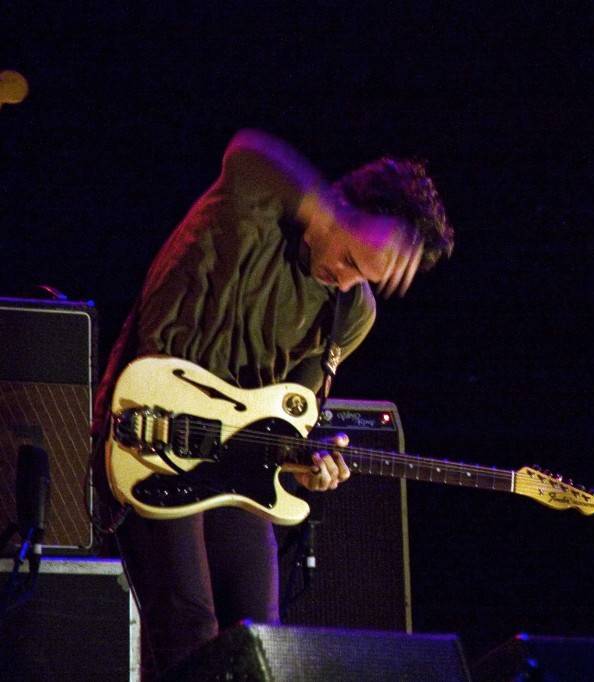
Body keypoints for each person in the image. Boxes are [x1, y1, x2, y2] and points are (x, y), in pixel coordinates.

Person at [90, 129, 454, 678]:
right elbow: (249, 148)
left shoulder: (351, 312)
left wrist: (308, 465)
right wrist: (331, 213)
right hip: (149, 429)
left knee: (260, 641)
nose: (346, 277)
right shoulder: (254, 203)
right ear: (341, 209)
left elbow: (286, 417)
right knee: (189, 629)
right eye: (351, 254)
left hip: (236, 467)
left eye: (366, 275)